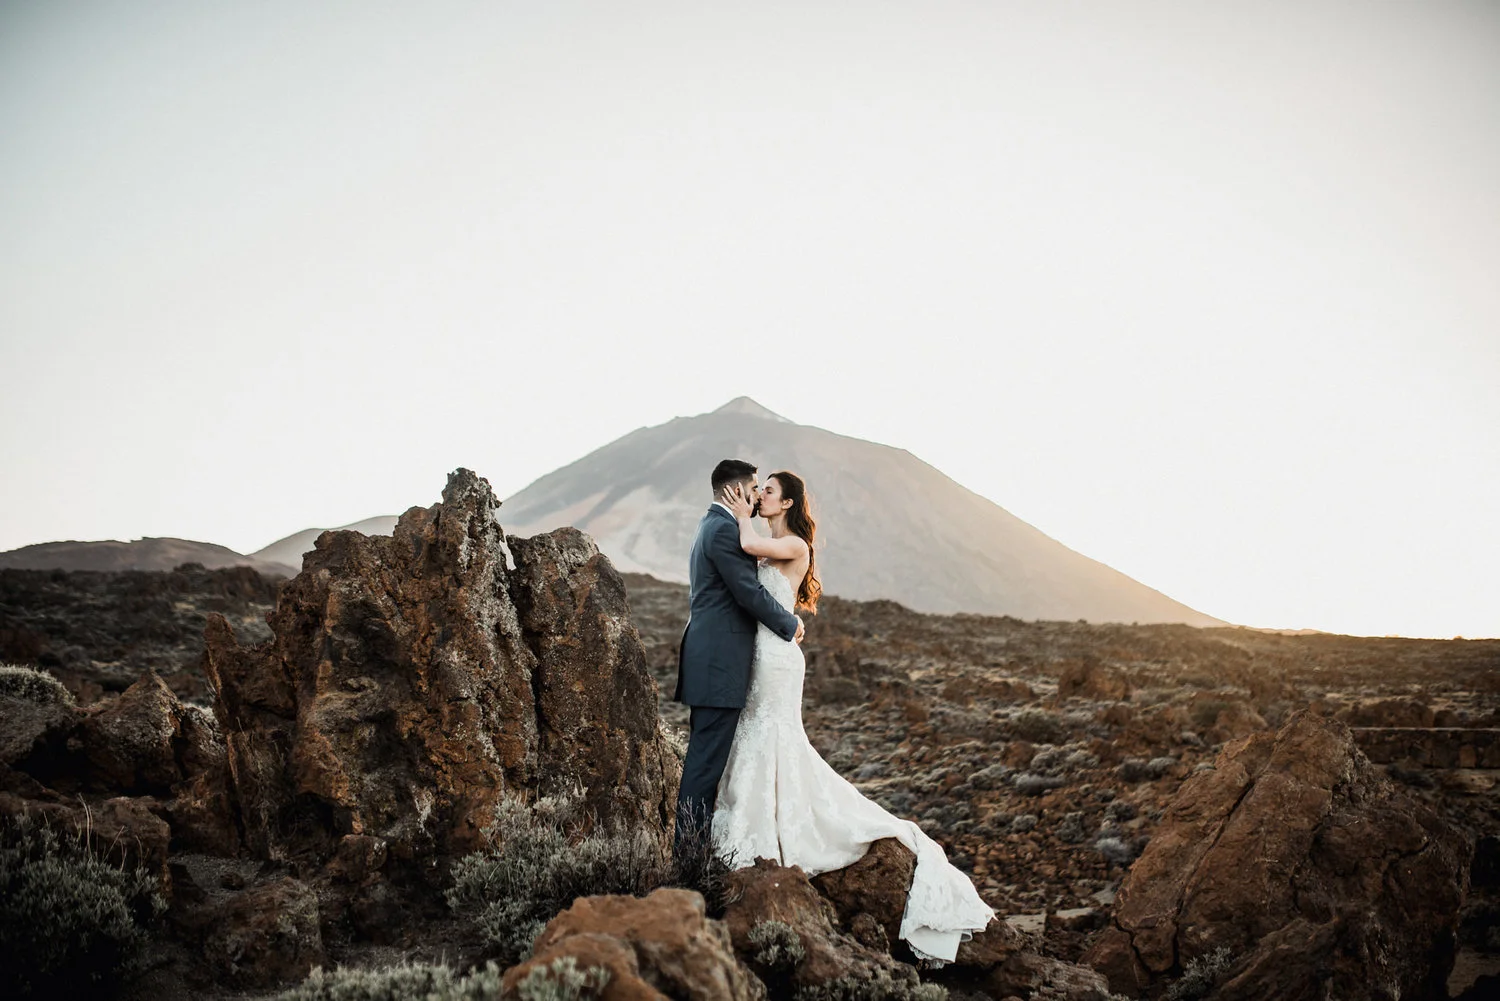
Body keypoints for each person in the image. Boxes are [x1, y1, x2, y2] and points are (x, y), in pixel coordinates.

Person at [711, 470, 997, 964]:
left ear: (787, 503)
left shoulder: (794, 544)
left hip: (777, 661)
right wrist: (747, 513)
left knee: (775, 738)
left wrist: (739, 512)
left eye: (769, 492)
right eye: (761, 491)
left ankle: (773, 832)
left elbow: (744, 544)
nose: (761, 497)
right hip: (758, 655)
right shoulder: (769, 540)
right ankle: (756, 820)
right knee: (756, 737)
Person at [672, 459, 806, 871]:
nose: (757, 495)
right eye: (754, 488)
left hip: (719, 662)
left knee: (710, 762)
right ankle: (688, 860)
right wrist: (790, 623)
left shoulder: (711, 525)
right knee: (705, 766)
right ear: (738, 491)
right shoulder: (726, 529)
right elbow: (748, 592)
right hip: (719, 665)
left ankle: (697, 851)